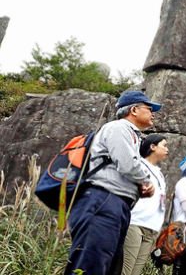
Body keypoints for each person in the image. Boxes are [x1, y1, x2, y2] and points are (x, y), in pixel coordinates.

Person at [64, 91, 162, 275]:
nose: (153, 113)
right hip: (103, 201)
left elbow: (122, 169)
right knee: (91, 264)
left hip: (116, 205)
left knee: (106, 266)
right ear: (134, 109)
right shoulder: (118, 128)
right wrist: (146, 181)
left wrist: (138, 188)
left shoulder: (132, 135)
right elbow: (127, 164)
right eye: (149, 109)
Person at [122, 134, 169, 275]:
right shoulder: (139, 166)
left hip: (151, 228)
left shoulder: (159, 174)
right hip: (135, 223)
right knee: (126, 270)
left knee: (135, 272)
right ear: (152, 146)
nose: (167, 149)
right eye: (164, 145)